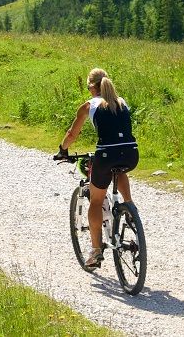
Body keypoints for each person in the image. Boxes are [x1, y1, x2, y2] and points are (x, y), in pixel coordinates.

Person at [55, 68, 139, 269]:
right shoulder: (122, 101)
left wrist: (62, 150)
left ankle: (95, 251)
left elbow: (72, 134)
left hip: (106, 156)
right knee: (120, 169)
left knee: (96, 200)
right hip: (131, 153)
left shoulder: (88, 106)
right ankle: (130, 209)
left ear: (92, 87)